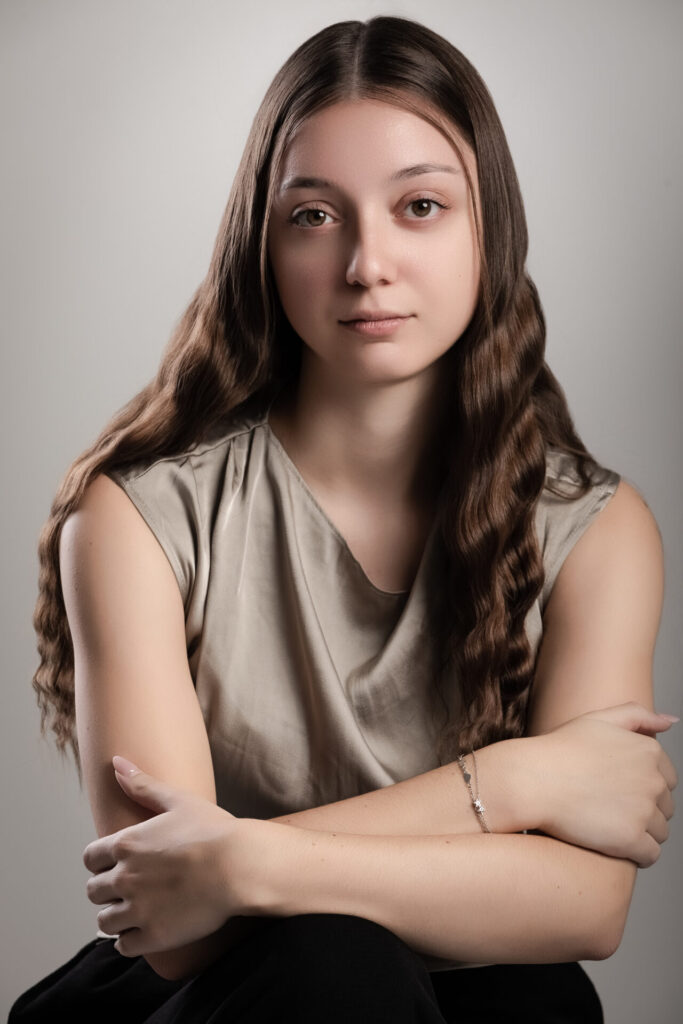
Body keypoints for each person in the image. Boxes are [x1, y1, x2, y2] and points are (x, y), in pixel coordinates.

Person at [11, 14, 677, 1024]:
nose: (367, 262)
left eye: (419, 205)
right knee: (335, 965)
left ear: (488, 225)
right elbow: (177, 923)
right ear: (262, 243)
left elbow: (585, 907)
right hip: (215, 1003)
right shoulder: (133, 518)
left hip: (461, 995)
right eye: (314, 216)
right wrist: (512, 781)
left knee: (533, 998)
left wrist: (244, 856)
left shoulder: (594, 527)